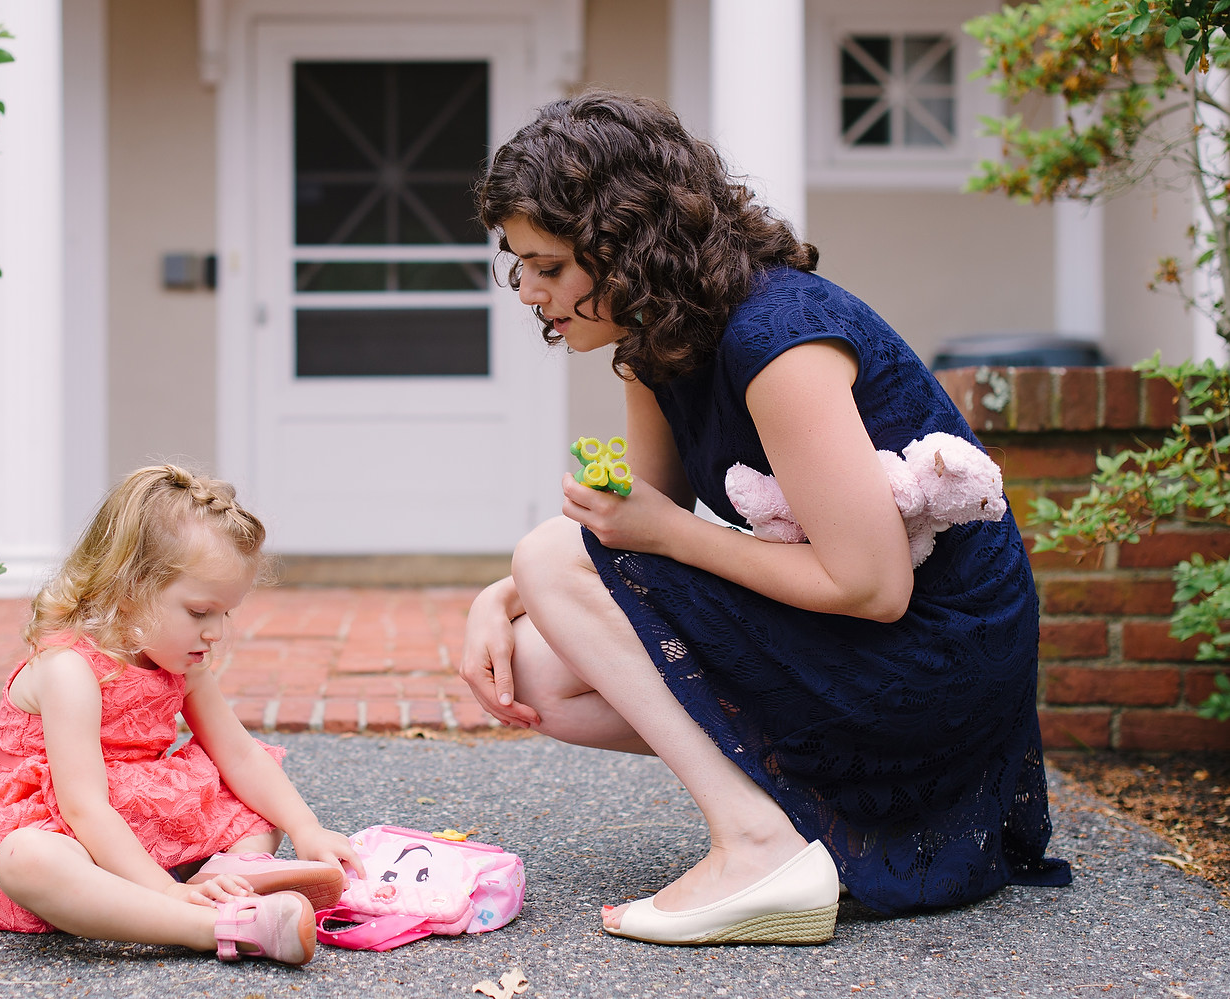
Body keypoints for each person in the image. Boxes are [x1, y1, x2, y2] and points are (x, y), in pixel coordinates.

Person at [459, 92, 1072, 946]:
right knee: (534, 668)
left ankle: (757, 845)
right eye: (516, 262)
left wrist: (620, 546)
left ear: (626, 245)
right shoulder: (657, 337)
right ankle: (807, 818)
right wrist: (505, 595)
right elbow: (634, 531)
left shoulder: (779, 338)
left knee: (549, 554)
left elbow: (872, 585)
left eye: (549, 265)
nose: (527, 290)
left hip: (937, 660)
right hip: (861, 642)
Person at [0, 465, 365, 966]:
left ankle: (227, 875)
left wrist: (306, 828)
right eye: (200, 612)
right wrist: (166, 890)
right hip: (62, 823)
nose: (215, 634)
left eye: (225, 614)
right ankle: (210, 923)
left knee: (250, 793)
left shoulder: (180, 665)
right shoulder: (70, 670)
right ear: (129, 588)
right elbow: (84, 809)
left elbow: (242, 755)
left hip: (128, 817)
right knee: (26, 860)